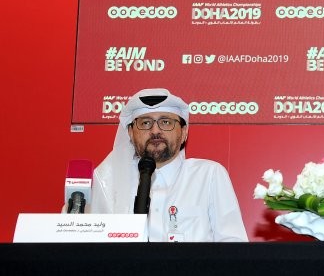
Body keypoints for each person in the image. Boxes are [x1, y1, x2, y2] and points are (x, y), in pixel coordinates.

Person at [91, 88, 248, 242]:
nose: (155, 130)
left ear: (184, 132)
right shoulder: (109, 181)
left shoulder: (209, 175)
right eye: (145, 123)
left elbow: (234, 245)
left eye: (165, 122)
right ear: (131, 133)